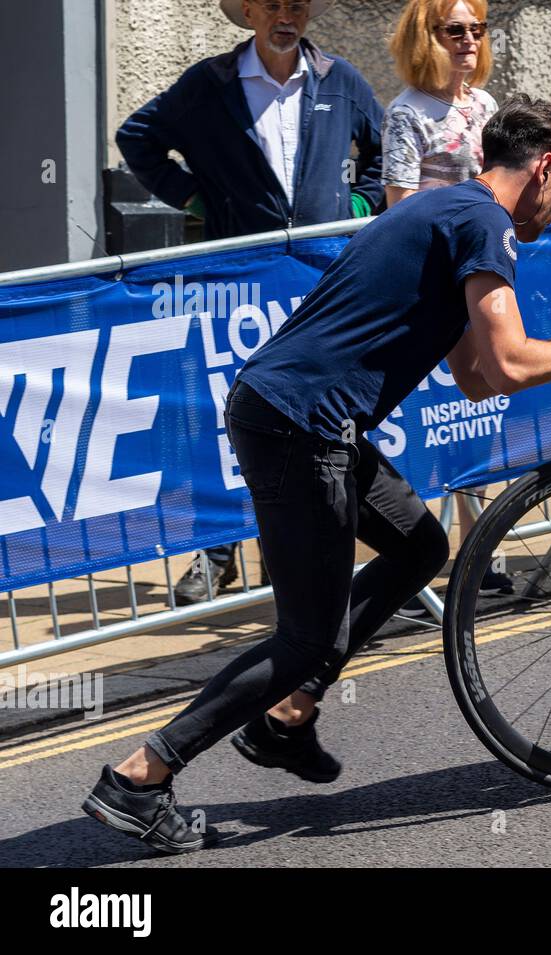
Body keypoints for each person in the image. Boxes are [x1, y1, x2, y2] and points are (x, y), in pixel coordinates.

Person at [83, 95, 551, 854]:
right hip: (302, 424)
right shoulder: (484, 224)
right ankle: (139, 776)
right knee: (306, 639)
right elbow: (514, 362)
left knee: (419, 549)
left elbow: (480, 377)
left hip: (304, 417)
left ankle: (287, 719)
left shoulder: (447, 211)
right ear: (545, 168)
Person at [116, 0, 389, 603]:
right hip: (238, 282)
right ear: (249, 11)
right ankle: (215, 556)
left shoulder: (338, 78)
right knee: (228, 407)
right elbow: (136, 137)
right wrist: (194, 200)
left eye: (297, 3)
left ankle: (284, 553)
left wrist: (360, 208)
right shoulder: (209, 84)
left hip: (318, 280)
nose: (285, 15)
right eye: (272, 3)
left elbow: (384, 152)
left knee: (305, 415)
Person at [382, 0, 511, 604]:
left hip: (478, 272)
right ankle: (408, 553)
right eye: (454, 29)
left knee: (478, 411)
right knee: (422, 418)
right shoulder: (406, 113)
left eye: (477, 29)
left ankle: (482, 549)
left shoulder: (484, 107)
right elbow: (399, 206)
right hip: (430, 279)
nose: (468, 40)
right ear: (425, 37)